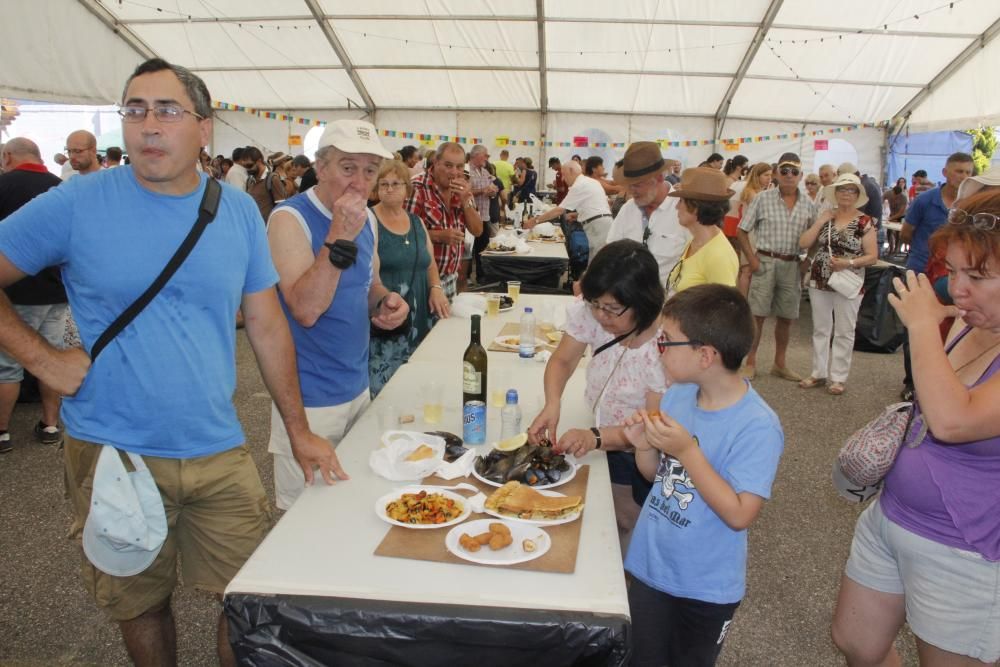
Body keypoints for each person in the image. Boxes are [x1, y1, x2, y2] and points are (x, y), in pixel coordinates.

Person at [0, 57, 342, 667]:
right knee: (140, 602)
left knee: (245, 599)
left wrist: (299, 431)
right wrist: (43, 361)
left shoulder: (236, 210)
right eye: (135, 110)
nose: (148, 126)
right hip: (113, 450)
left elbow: (266, 325)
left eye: (167, 111)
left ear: (203, 128)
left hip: (216, 445)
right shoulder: (77, 202)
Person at [831, 189, 1000, 667]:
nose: (957, 289)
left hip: (965, 548)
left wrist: (924, 327)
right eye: (955, 271)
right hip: (895, 517)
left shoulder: (957, 321)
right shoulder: (975, 321)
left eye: (978, 276)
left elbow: (951, 420)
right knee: (857, 642)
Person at [623, 283, 784, 667]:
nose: (658, 349)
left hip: (704, 588)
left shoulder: (757, 426)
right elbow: (657, 476)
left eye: (667, 341)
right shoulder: (679, 394)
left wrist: (687, 451)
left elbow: (740, 514)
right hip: (651, 565)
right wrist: (644, 444)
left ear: (706, 355)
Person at [266, 120, 409, 510]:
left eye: (369, 171)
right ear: (321, 166)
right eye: (348, 168)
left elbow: (369, 284)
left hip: (357, 388)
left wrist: (385, 304)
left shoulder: (369, 220)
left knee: (350, 506)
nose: (359, 183)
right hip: (309, 399)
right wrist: (339, 234)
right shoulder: (288, 219)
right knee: (303, 521)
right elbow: (306, 309)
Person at [527, 240, 667, 547]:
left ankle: (626, 584)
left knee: (628, 517)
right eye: (595, 304)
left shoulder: (665, 348)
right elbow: (563, 359)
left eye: (613, 309)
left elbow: (651, 425)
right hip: (596, 427)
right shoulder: (592, 312)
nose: (601, 316)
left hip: (636, 448)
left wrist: (597, 437)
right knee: (600, 514)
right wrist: (553, 403)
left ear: (643, 301)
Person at [0, 137, 66, 453]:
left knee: (7, 364)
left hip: (14, 292)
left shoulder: (3, 185)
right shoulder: (60, 186)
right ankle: (51, 424)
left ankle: (2, 431)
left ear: (8, 156)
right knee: (51, 358)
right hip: (55, 289)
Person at [368, 161, 450, 395]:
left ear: (407, 188)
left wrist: (436, 287)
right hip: (388, 317)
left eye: (395, 183)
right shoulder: (369, 220)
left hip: (419, 314)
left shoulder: (416, 222)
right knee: (385, 389)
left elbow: (430, 261)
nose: (389, 189)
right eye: (383, 184)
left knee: (416, 386)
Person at [899, 152, 974, 399]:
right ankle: (912, 382)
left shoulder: (972, 205)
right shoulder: (926, 200)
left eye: (968, 172)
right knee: (916, 327)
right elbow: (906, 232)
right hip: (920, 270)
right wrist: (926, 255)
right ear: (945, 173)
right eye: (959, 171)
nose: (964, 177)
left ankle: (945, 383)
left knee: (952, 326)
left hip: (954, 276)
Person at [737, 152, 816, 381]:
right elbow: (742, 230)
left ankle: (779, 364)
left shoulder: (809, 205)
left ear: (801, 176)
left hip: (792, 263)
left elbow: (817, 236)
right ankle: (750, 362)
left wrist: (808, 261)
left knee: (786, 317)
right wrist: (752, 260)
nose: (789, 175)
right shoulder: (762, 199)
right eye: (784, 170)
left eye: (794, 172)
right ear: (777, 173)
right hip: (765, 261)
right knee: (757, 315)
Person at [797, 173, 878, 395]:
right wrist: (821, 221)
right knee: (820, 328)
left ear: (858, 195)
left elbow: (872, 256)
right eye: (842, 189)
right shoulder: (826, 216)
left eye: (851, 190)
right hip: (820, 278)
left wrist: (849, 262)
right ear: (835, 193)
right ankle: (818, 372)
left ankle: (839, 377)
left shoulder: (864, 222)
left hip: (848, 279)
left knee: (844, 330)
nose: (846, 194)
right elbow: (804, 243)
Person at [406, 142, 483, 300]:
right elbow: (403, 235)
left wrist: (465, 201)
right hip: (421, 279)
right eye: (448, 165)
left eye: (460, 167)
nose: (454, 172)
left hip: (450, 278)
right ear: (435, 162)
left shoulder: (462, 190)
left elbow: (477, 230)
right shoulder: (417, 187)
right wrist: (437, 236)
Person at [606, 141, 689, 286]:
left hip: (669, 304)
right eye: (629, 185)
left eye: (637, 184)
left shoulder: (685, 211)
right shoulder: (628, 209)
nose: (631, 191)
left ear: (659, 178)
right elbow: (610, 253)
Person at [665, 167, 739, 295]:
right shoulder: (697, 242)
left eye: (681, 201)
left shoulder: (718, 256)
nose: (677, 207)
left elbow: (724, 310)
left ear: (695, 207)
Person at [524, 159, 613, 258]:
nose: (562, 179)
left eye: (564, 175)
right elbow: (601, 206)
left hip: (598, 226)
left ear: (571, 170)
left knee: (597, 261)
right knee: (595, 260)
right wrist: (578, 215)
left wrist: (535, 220)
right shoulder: (589, 182)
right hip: (602, 223)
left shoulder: (579, 185)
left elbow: (560, 210)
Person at [735, 163, 773, 296]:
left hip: (757, 233)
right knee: (747, 270)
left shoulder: (759, 192)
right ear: (757, 176)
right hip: (750, 234)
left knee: (752, 270)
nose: (769, 178)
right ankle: (742, 300)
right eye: (766, 175)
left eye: (770, 175)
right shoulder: (751, 192)